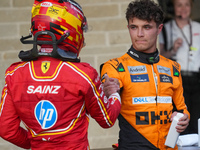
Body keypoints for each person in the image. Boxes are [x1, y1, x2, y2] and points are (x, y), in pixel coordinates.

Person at [0, 0, 121, 150]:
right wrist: (113, 94)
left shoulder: (14, 73)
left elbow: (6, 130)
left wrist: (37, 144)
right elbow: (107, 119)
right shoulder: (83, 74)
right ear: (71, 29)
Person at [100, 0, 190, 149]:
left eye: (146, 27)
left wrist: (184, 118)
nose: (139, 34)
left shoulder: (173, 67)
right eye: (134, 27)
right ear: (128, 28)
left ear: (159, 28)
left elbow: (181, 109)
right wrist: (107, 91)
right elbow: (107, 101)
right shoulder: (114, 67)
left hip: (169, 146)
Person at [159, 0, 200, 135]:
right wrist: (173, 49)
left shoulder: (197, 27)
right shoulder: (166, 28)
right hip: (178, 77)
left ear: (191, 8)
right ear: (174, 8)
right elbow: (161, 55)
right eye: (179, 5)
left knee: (197, 116)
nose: (183, 8)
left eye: (186, 5)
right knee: (181, 117)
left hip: (197, 77)